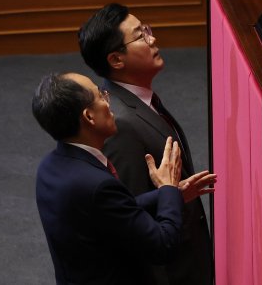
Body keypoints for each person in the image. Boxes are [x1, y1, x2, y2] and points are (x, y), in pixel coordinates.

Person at [79, 4, 215, 285]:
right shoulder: (122, 125)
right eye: (141, 36)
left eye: (147, 30)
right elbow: (131, 220)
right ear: (116, 60)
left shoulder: (138, 99)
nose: (152, 39)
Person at [32, 71, 186, 285]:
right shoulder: (97, 185)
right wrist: (168, 186)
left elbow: (109, 213)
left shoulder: (48, 167)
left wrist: (166, 196)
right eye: (101, 95)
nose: (108, 99)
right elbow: (163, 246)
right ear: (89, 116)